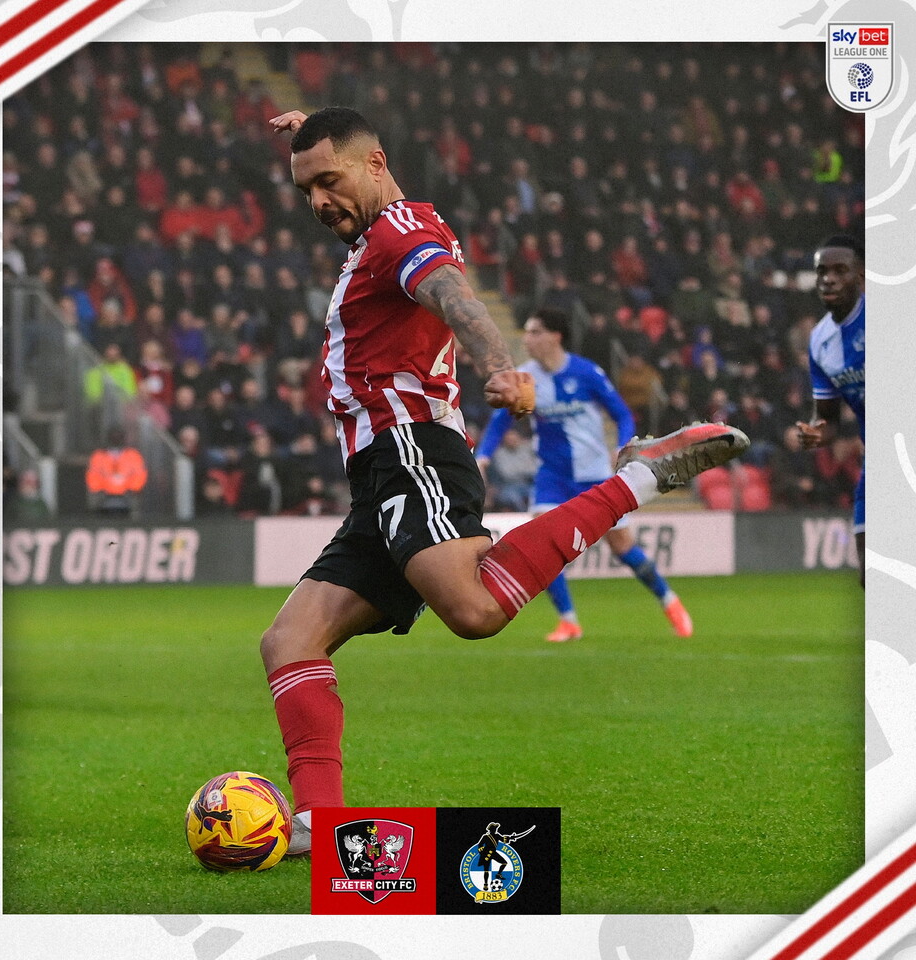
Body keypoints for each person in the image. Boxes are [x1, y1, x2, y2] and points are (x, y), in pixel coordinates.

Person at [262, 107, 750, 855]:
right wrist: (316, 132)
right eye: (307, 190)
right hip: (376, 474)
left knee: (474, 608)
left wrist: (500, 367)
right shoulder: (384, 228)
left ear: (375, 163)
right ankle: (319, 825)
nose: (318, 201)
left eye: (329, 181)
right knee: (290, 640)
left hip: (411, 450)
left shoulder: (398, 235)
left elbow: (456, 297)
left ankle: (642, 478)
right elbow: (379, 200)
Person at [475, 309, 693, 642]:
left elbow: (622, 414)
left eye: (535, 332)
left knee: (622, 547)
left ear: (555, 336)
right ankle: (569, 621)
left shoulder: (586, 372)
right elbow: (500, 423)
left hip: (593, 475)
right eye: (527, 332)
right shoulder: (525, 379)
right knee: (541, 545)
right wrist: (483, 456)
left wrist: (623, 446)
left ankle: (669, 601)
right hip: (552, 476)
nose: (527, 339)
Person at [795, 235, 865, 585]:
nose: (829, 279)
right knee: (872, 573)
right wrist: (815, 433)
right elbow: (829, 420)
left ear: (861, 275)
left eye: (840, 270)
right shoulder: (820, 340)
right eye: (822, 271)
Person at [85, 426, 148, 516]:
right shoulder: (98, 456)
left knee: (135, 500)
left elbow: (140, 475)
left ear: (123, 439)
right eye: (113, 437)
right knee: (94, 499)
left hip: (128, 496)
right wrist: (100, 489)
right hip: (102, 496)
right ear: (108, 438)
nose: (116, 440)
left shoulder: (133, 455)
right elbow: (92, 475)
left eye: (119, 437)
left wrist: (132, 489)